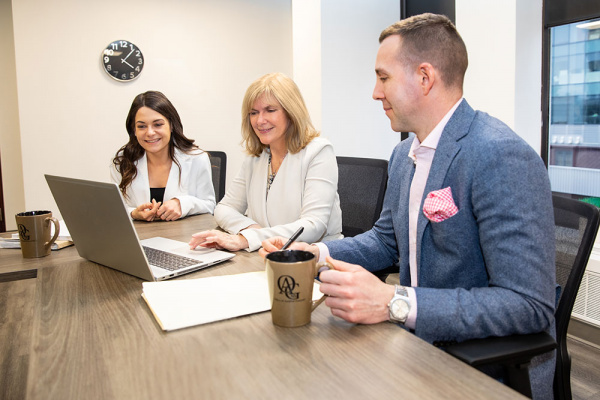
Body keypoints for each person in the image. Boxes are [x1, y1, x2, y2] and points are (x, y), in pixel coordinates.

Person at [260, 14, 556, 399]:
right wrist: (317, 253)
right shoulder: (405, 154)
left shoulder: (499, 155)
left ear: (424, 77)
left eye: (383, 78)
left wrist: (394, 302)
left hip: (480, 369)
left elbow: (528, 305)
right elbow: (387, 242)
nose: (375, 92)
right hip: (416, 345)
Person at [189, 72, 342, 252]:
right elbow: (224, 208)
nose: (260, 120)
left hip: (314, 260)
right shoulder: (257, 156)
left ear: (291, 111)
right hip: (264, 254)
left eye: (270, 110)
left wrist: (247, 239)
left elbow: (313, 225)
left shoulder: (318, 152)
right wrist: (252, 230)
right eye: (254, 113)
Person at [111, 91, 215, 221]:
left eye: (158, 124)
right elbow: (115, 209)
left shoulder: (197, 158)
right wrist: (133, 213)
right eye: (142, 126)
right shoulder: (122, 161)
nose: (150, 132)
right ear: (134, 130)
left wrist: (182, 203)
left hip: (184, 237)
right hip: (139, 237)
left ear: (171, 125)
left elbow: (210, 205)